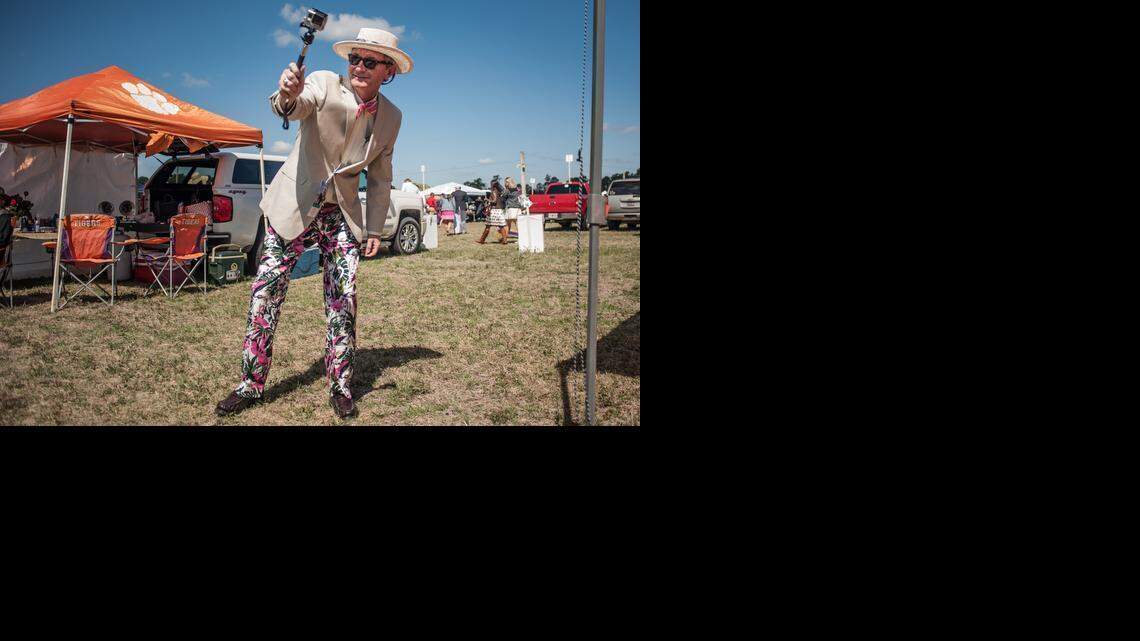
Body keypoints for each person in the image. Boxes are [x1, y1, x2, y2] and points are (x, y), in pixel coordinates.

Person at [215, 27, 414, 420]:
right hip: (294, 203)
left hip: (341, 213)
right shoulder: (323, 83)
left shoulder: (392, 117)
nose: (358, 66)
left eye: (369, 61)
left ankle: (341, 386)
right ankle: (250, 384)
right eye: (354, 58)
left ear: (388, 70)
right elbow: (293, 106)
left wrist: (375, 228)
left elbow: (380, 176)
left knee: (344, 299)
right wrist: (287, 94)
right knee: (265, 293)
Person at [476, 180, 508, 244]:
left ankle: (482, 240)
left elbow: (494, 201)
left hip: (494, 211)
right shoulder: (499, 191)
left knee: (488, 226)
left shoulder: (494, 191)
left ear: (493, 185)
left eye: (491, 184)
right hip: (499, 210)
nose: (490, 185)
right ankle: (505, 240)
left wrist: (487, 199)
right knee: (501, 226)